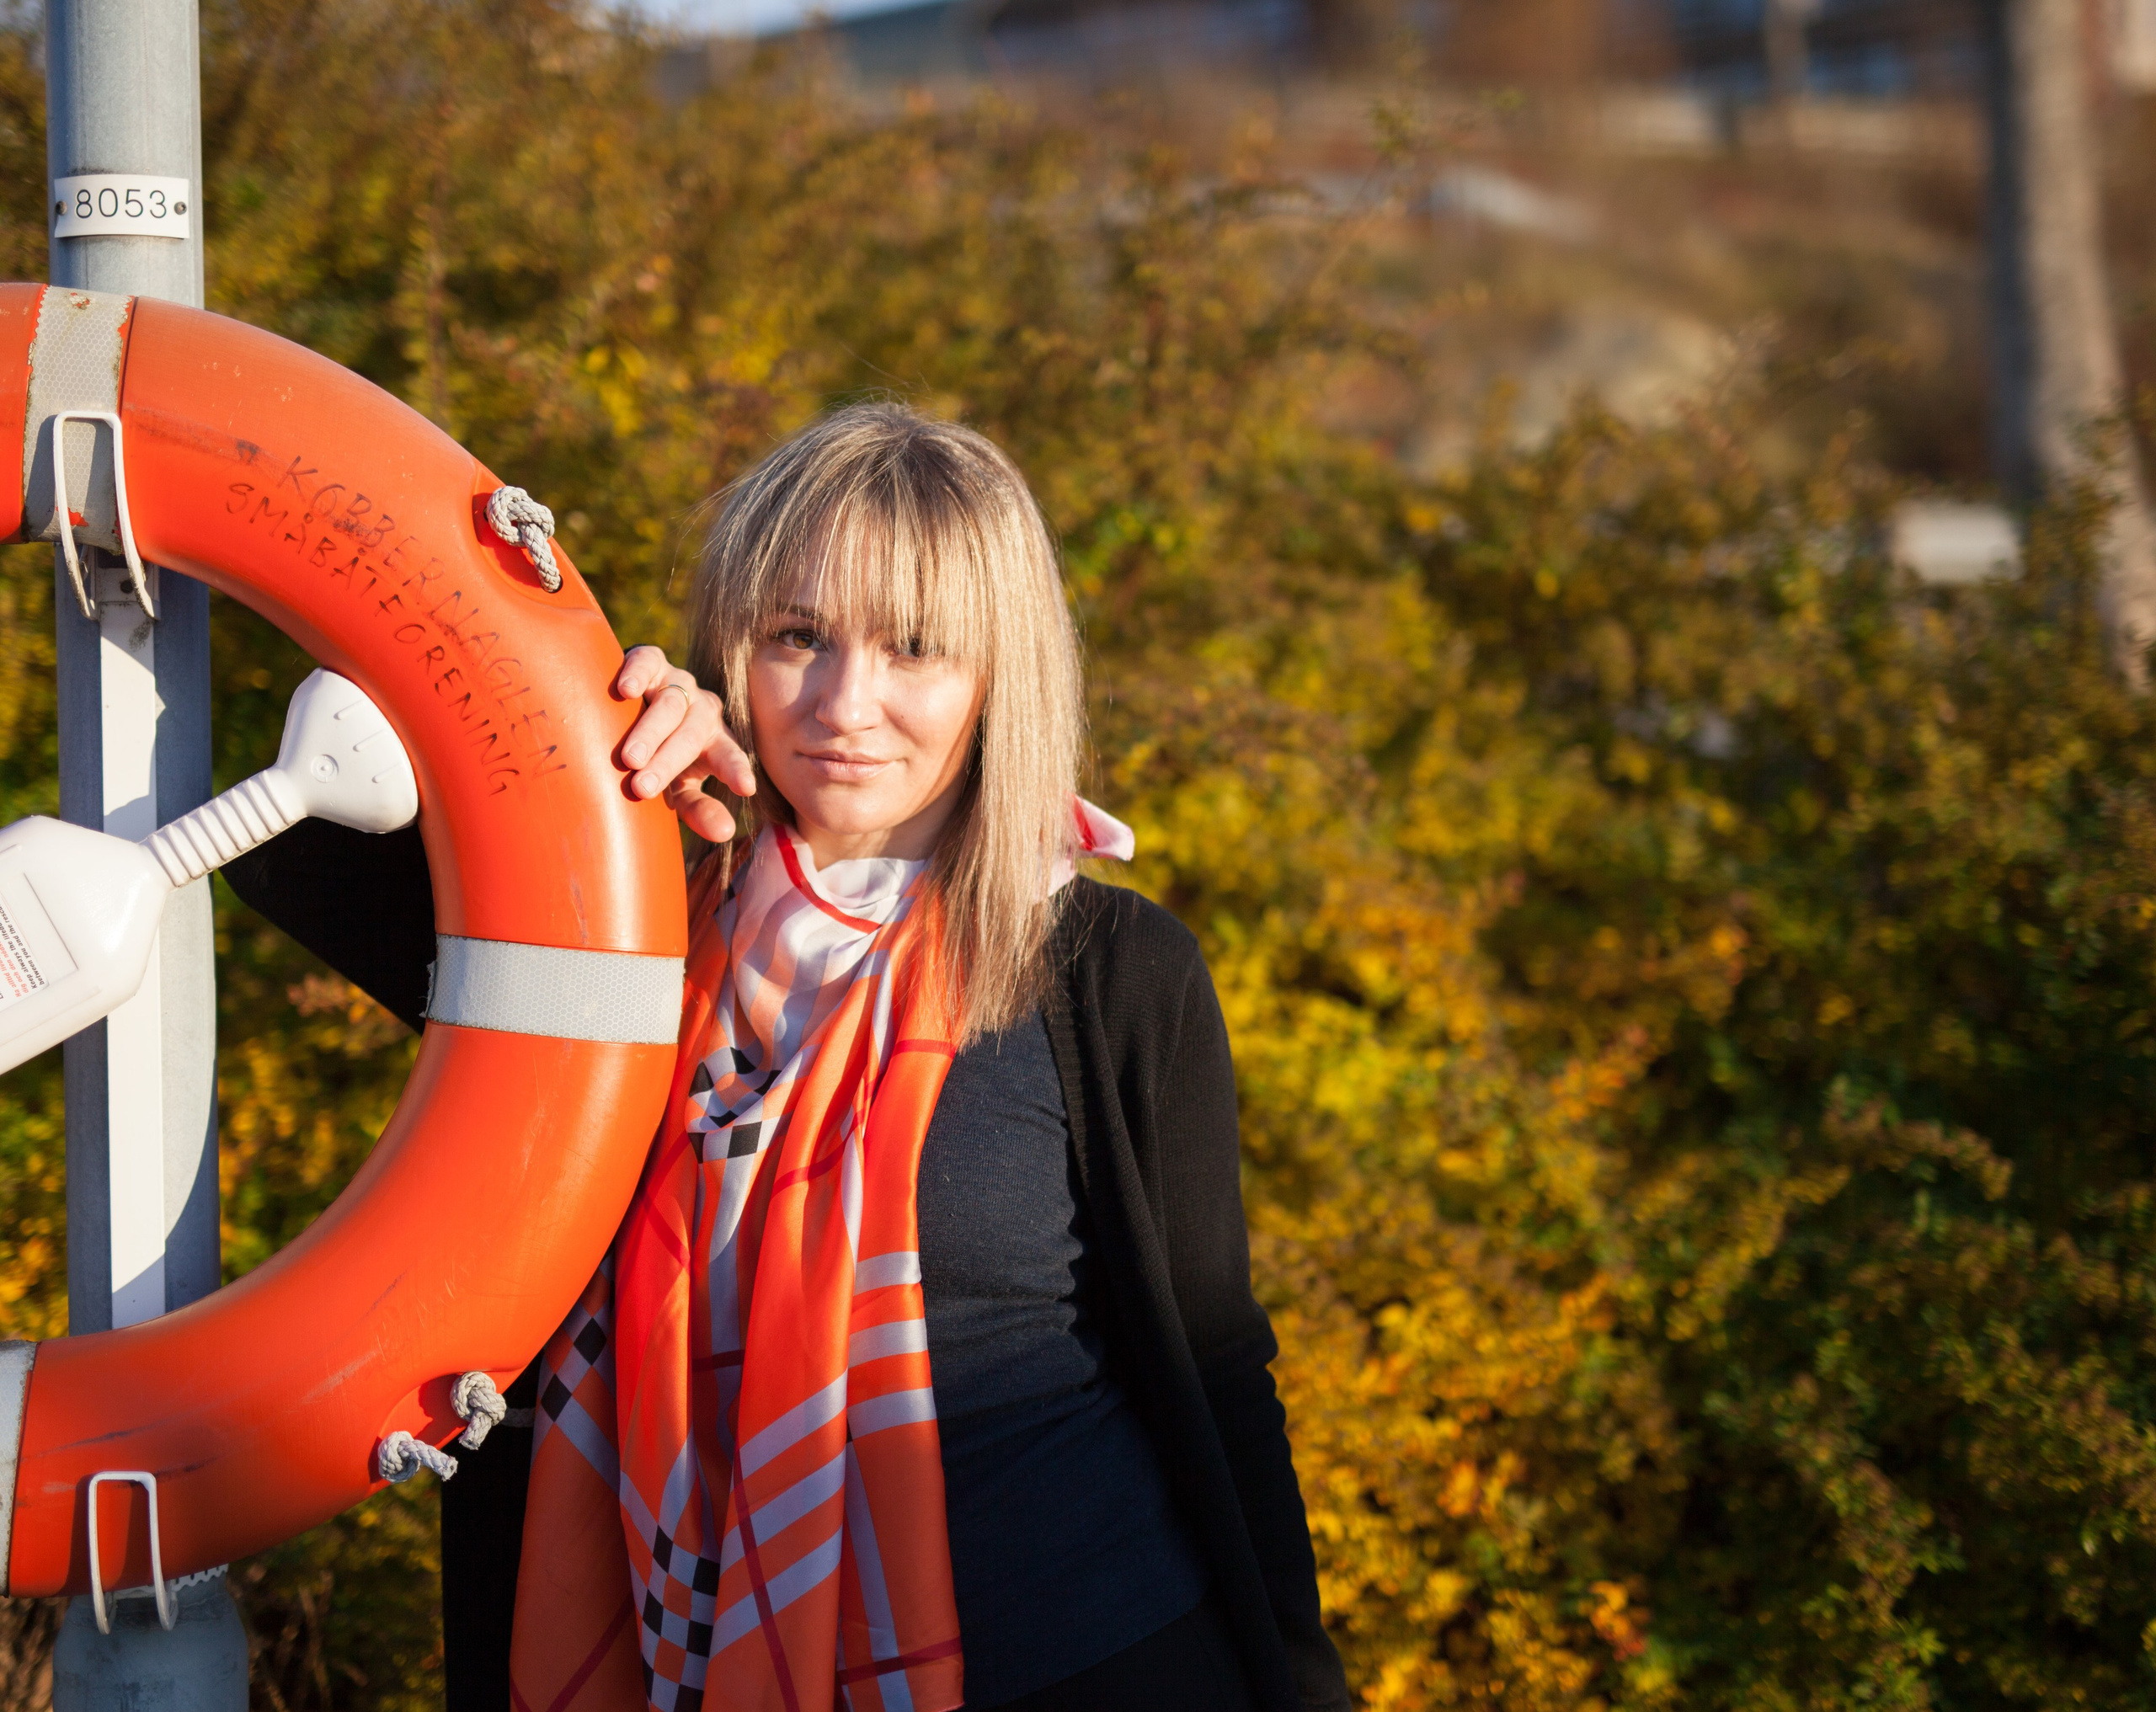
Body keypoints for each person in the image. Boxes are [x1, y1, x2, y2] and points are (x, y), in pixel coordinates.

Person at [224, 403, 1349, 1712]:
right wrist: (581, 753)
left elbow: (1214, 1355)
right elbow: (284, 840)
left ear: (1001, 673)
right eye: (797, 637)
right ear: (731, 645)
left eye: (916, 648)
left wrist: (1304, 1681)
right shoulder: (610, 918)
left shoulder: (1114, 968)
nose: (842, 706)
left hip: (1094, 1659)